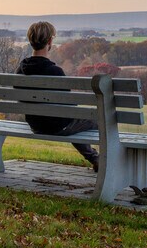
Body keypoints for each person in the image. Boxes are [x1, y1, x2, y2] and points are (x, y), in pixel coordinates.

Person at [15, 21, 99, 171]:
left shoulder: (20, 72)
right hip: (58, 127)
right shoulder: (55, 72)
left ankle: (95, 158)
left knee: (72, 121)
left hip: (36, 125)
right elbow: (68, 106)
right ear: (50, 42)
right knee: (100, 119)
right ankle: (103, 160)